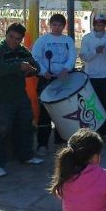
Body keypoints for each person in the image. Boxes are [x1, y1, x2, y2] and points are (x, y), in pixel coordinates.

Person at [0, 23, 44, 177]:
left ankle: (27, 156)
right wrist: (18, 67)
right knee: (1, 131)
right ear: (6, 35)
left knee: (26, 126)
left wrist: (30, 70)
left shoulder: (22, 51)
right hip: (2, 98)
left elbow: (37, 67)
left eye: (18, 39)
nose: (14, 41)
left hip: (20, 96)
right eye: (11, 37)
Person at [31, 13, 77, 155]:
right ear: (50, 25)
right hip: (46, 79)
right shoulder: (42, 40)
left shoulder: (68, 40)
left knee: (63, 110)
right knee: (45, 113)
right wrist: (43, 71)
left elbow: (72, 56)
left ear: (64, 26)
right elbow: (35, 58)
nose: (57, 28)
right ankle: (42, 144)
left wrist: (66, 69)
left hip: (63, 79)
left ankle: (62, 140)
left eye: (60, 25)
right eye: (54, 24)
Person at [79, 14, 106, 143]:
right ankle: (94, 133)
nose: (101, 26)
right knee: (92, 106)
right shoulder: (87, 38)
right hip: (91, 76)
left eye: (103, 24)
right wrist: (95, 51)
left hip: (105, 76)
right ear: (94, 24)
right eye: (98, 24)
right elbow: (83, 57)